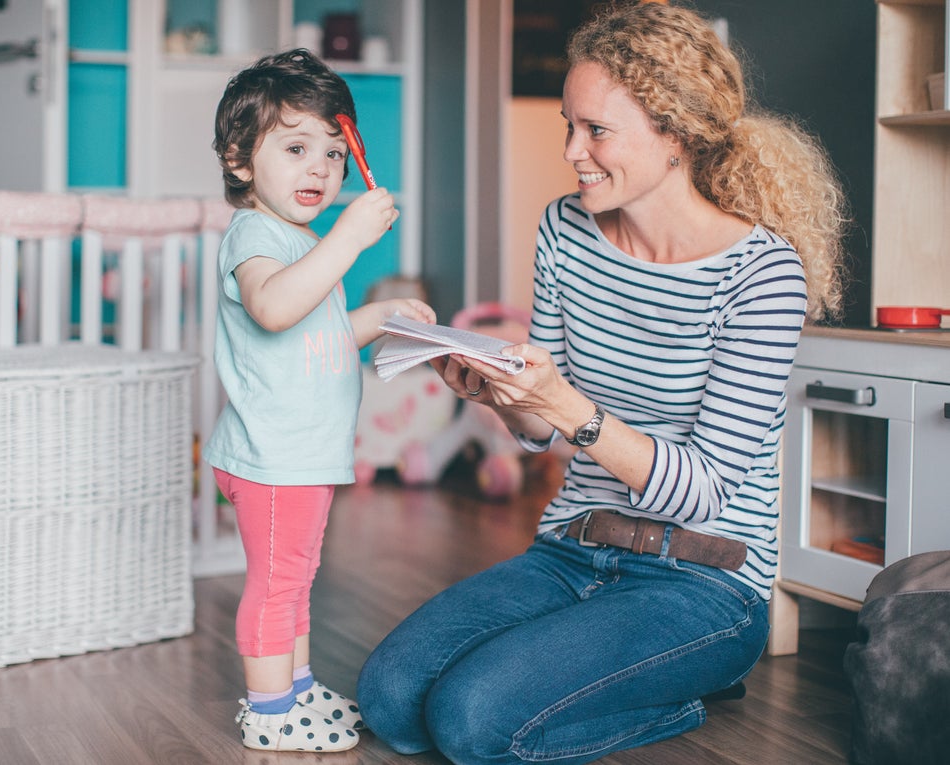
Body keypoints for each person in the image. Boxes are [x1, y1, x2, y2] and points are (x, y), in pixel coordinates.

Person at [357, 3, 849, 763]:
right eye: (568, 125)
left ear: (675, 133)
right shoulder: (566, 230)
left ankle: (677, 693)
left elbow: (704, 490)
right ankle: (613, 671)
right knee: (390, 699)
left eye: (596, 130)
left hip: (705, 581)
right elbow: (540, 431)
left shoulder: (762, 276)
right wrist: (501, 394)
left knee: (470, 721)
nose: (572, 151)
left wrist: (568, 406)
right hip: (574, 547)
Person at [202, 49, 435, 753]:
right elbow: (274, 308)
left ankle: (296, 687)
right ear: (240, 160)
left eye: (335, 153)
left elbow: (320, 327)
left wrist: (382, 315)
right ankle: (270, 709)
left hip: (301, 455)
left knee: (296, 581)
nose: (320, 169)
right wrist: (350, 237)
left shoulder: (300, 241)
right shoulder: (256, 236)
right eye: (297, 147)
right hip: (275, 456)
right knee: (277, 587)